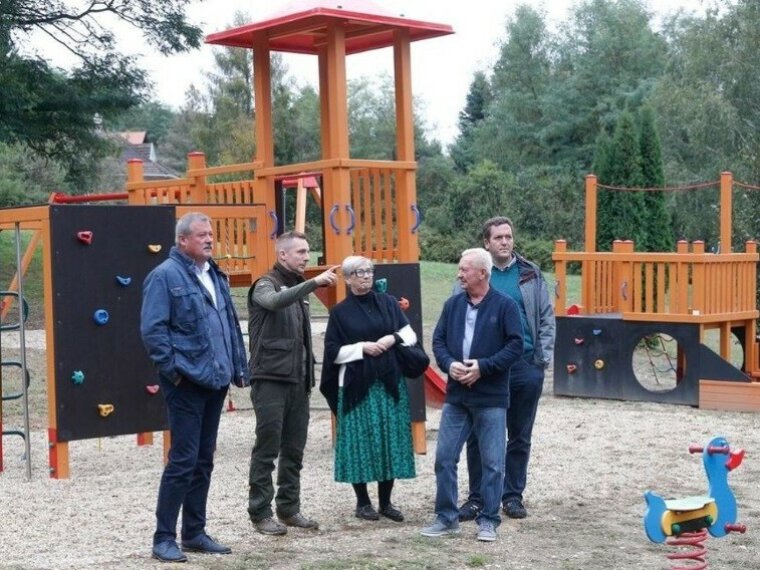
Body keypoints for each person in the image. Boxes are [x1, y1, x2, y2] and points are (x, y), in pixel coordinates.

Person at [140, 212, 250, 563]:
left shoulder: (214, 274)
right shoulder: (164, 276)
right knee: (183, 460)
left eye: (211, 234)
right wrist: (175, 372)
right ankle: (163, 538)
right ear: (182, 240)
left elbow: (229, 325)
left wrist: (236, 367)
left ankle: (194, 533)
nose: (209, 239)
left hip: (216, 380)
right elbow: (153, 331)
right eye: (202, 235)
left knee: (203, 459)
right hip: (186, 382)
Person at [421, 248, 523, 543]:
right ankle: (446, 517)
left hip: (490, 397)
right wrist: (449, 364)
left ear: (482, 273)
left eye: (464, 269)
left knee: (493, 463)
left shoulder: (505, 307)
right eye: (460, 269)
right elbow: (438, 341)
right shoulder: (452, 305)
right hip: (457, 397)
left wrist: (483, 367)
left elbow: (515, 346)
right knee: (444, 458)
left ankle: (489, 520)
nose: (459, 274)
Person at [458, 217, 555, 522]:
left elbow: (546, 318)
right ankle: (477, 498)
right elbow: (456, 317)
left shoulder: (529, 274)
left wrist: (542, 360)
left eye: (508, 236)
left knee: (520, 436)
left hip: (525, 366)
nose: (504, 241)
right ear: (486, 242)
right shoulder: (471, 273)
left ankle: (512, 496)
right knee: (478, 436)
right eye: (498, 237)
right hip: (484, 371)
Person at [247, 231, 338, 536]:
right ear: (282, 255)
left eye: (308, 251)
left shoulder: (298, 290)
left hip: (298, 381)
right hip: (270, 379)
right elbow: (273, 302)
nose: (306, 256)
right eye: (300, 251)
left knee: (294, 450)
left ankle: (289, 509)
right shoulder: (265, 284)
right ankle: (260, 512)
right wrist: (313, 283)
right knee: (267, 448)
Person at [320, 256, 418, 523]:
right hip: (355, 384)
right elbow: (332, 352)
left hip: (388, 381)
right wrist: (362, 348)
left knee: (389, 439)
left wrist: (391, 338)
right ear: (348, 279)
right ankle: (363, 502)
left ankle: (386, 502)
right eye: (359, 272)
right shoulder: (339, 312)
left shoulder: (388, 302)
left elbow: (410, 335)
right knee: (360, 442)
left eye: (368, 271)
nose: (365, 276)